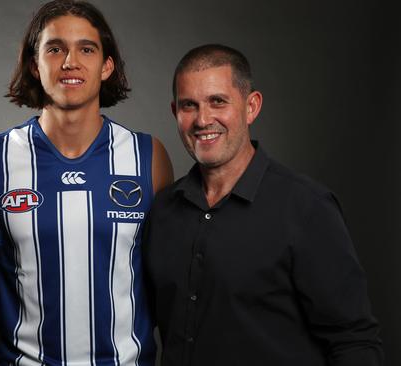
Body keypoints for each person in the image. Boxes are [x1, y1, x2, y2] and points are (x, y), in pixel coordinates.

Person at [142, 44, 383, 365]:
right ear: (175, 112)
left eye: (218, 101)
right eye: (189, 105)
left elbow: (355, 342)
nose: (203, 119)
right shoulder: (163, 211)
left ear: (251, 106)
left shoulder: (306, 207)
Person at [0, 1, 173, 364]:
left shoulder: (148, 157)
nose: (70, 62)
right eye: (55, 49)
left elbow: (169, 279)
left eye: (86, 48)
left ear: (106, 66)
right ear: (35, 65)